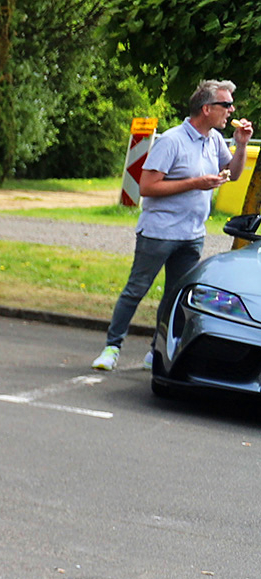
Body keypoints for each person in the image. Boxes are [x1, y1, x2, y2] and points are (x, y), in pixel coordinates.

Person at [96, 80, 253, 370]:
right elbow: (146, 187)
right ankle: (111, 348)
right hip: (159, 233)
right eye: (226, 105)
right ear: (206, 108)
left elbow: (233, 174)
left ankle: (156, 351)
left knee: (174, 297)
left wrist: (241, 144)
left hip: (192, 235)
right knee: (136, 289)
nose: (231, 110)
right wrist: (197, 183)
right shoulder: (172, 140)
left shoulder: (215, 140)